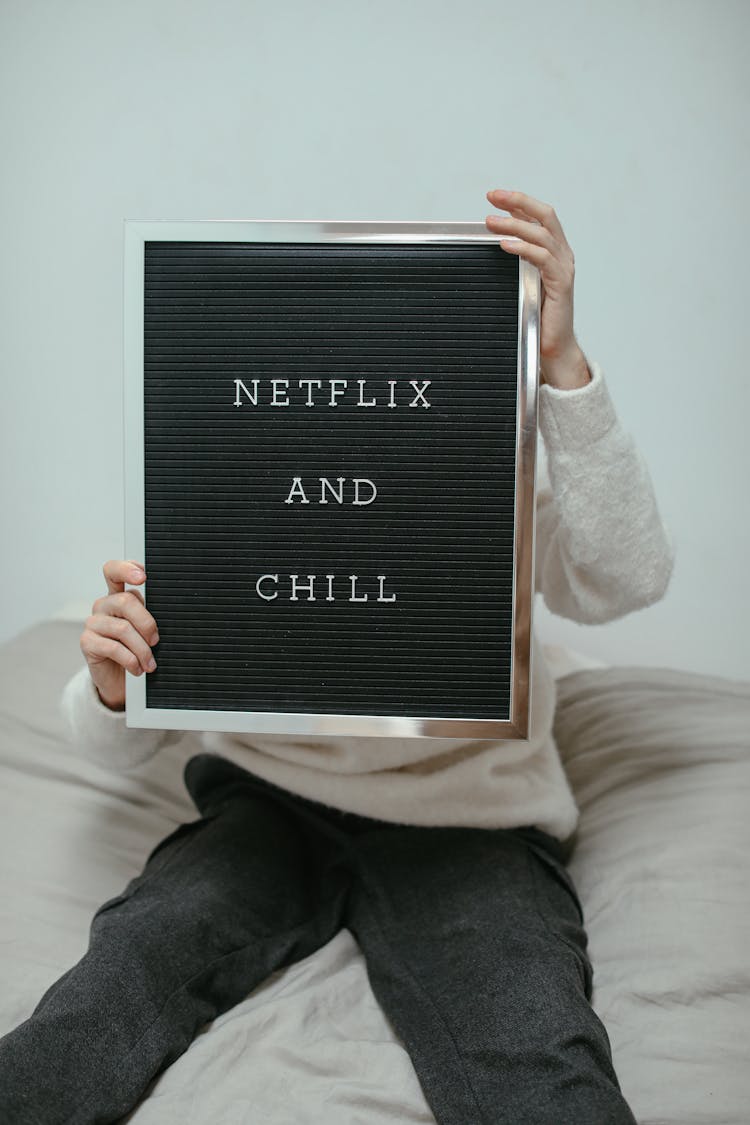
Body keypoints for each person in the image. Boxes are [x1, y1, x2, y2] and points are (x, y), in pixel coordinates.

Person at [0, 189, 674, 1124]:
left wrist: (561, 365)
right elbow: (117, 739)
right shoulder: (221, 490)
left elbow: (628, 577)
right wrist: (114, 688)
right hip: (265, 803)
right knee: (117, 981)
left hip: (468, 816)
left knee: (532, 1045)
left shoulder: (492, 480)